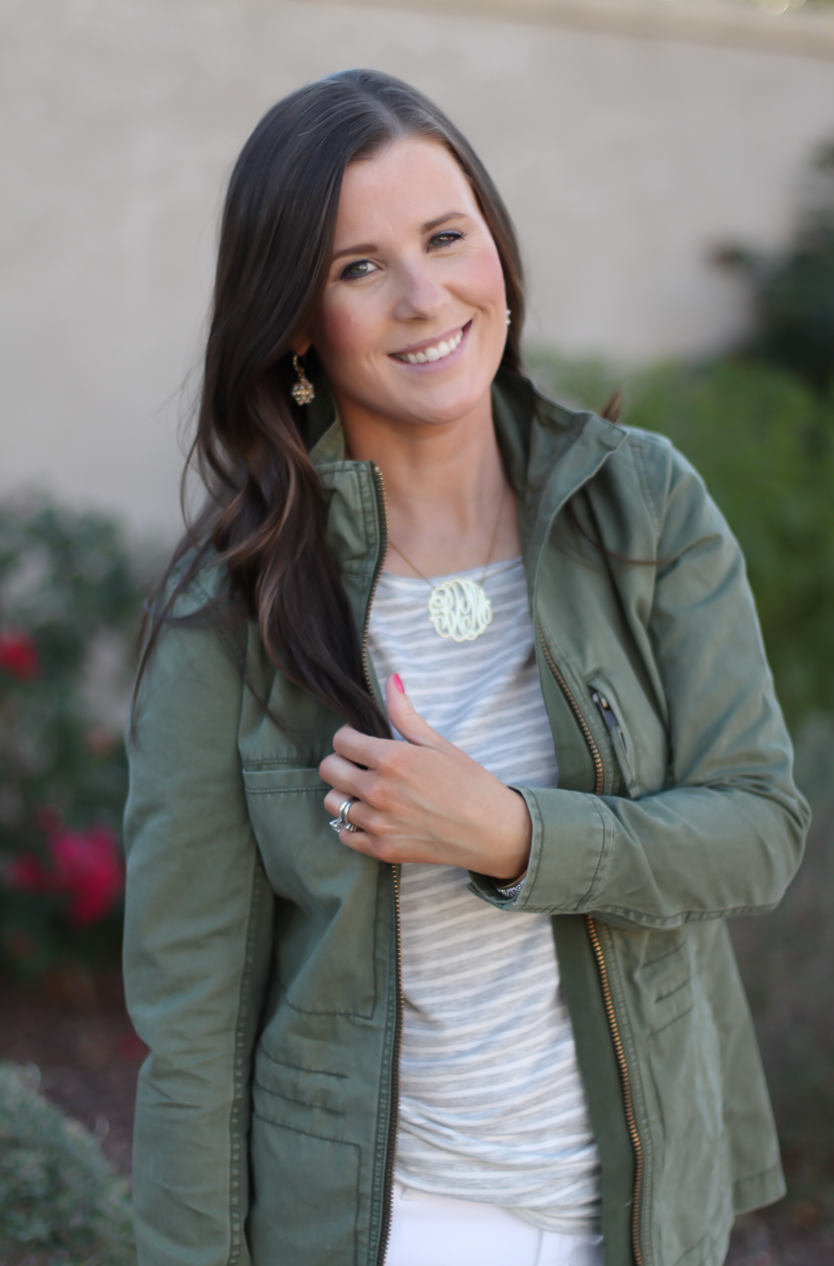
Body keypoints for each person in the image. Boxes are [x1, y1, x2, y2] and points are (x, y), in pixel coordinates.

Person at [123, 69, 810, 1266]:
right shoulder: (230, 610)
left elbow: (757, 831)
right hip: (389, 1228)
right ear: (294, 319)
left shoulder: (641, 509)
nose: (423, 295)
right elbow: (192, 1024)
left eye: (447, 237)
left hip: (646, 1208)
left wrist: (512, 835)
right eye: (357, 267)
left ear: (496, 247)